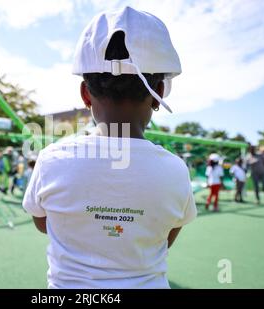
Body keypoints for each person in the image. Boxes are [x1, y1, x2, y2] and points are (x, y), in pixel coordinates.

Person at [23, 7, 197, 289]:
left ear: (85, 94)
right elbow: (165, 238)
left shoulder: (51, 159)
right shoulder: (176, 169)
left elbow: (44, 223)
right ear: (159, 94)